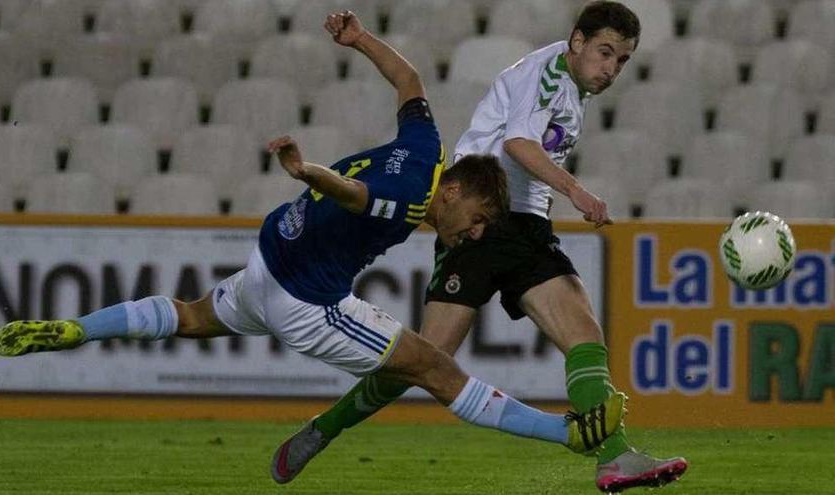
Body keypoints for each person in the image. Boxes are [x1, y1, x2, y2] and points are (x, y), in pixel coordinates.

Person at [0, 11, 626, 484]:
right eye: (479, 219)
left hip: (265, 265)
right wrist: (307, 171)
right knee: (435, 369)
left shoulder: (427, 144)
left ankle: (77, 330)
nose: (476, 233)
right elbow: (352, 194)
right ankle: (567, 434)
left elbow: (406, 77)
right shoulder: (409, 198)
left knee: (186, 316)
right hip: (306, 302)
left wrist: (358, 39)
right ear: (455, 192)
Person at [275, 2, 689, 493]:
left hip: (528, 225)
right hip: (481, 218)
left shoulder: (573, 86)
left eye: (621, 60)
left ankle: (615, 458)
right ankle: (326, 428)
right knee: (425, 362)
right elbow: (518, 143)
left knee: (584, 336)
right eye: (604, 52)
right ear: (577, 41)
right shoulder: (549, 73)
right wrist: (576, 191)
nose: (611, 68)